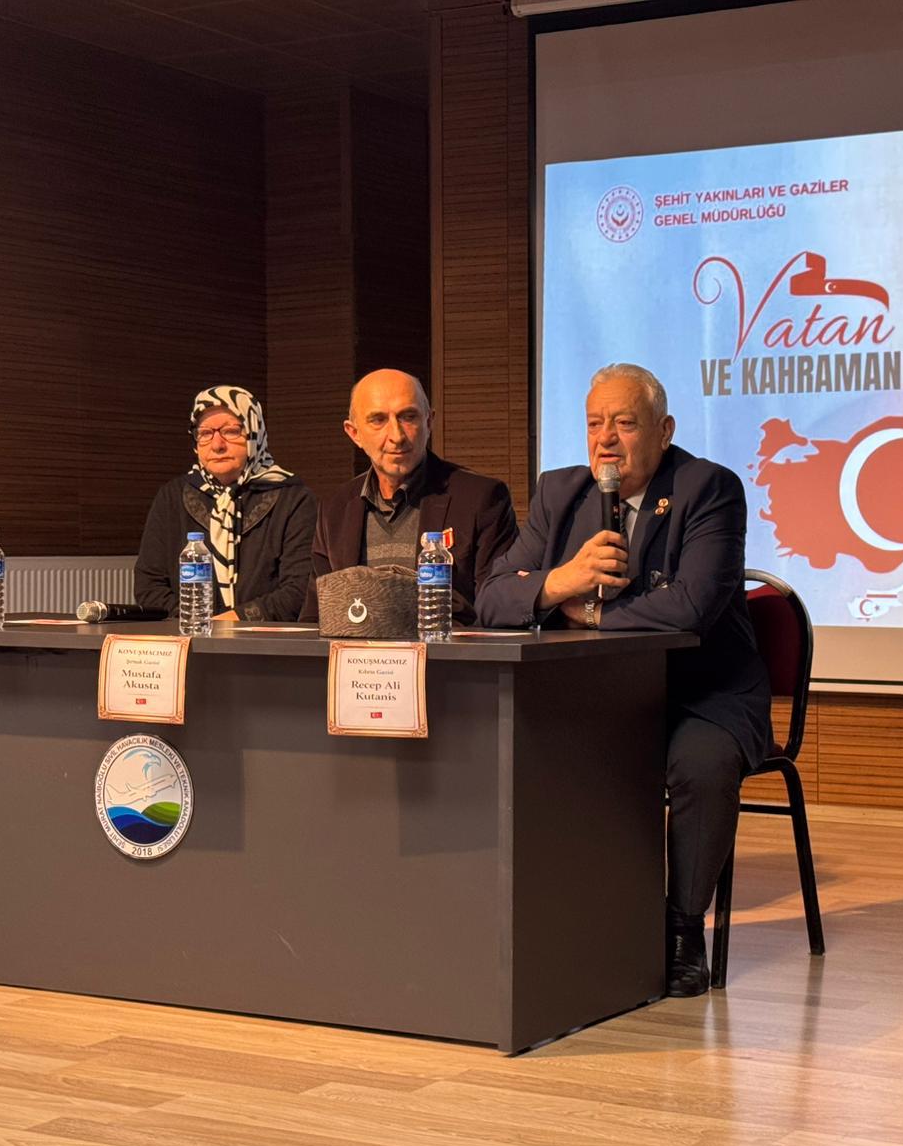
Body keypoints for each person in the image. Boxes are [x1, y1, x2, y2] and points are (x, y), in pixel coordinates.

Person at [476, 362, 771, 997]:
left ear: (664, 430)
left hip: (704, 693)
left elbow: (691, 606)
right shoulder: (561, 493)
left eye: (625, 423)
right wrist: (561, 582)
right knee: (531, 749)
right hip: (603, 695)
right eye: (594, 424)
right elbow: (492, 598)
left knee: (700, 765)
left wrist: (587, 612)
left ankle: (681, 930)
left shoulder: (708, 488)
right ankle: (577, 922)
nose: (605, 439)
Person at [302, 369, 518, 623]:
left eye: (408, 417)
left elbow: (496, 609)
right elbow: (316, 616)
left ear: (429, 422)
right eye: (378, 420)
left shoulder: (480, 498)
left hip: (445, 648)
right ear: (354, 433)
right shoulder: (335, 507)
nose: (397, 436)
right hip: (354, 649)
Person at [135, 385, 317, 621]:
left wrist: (232, 621)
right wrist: (198, 623)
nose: (217, 445)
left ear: (254, 433)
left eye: (231, 431)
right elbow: (149, 586)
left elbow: (300, 589)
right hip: (189, 633)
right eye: (205, 433)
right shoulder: (172, 497)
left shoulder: (292, 498)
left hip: (263, 638)